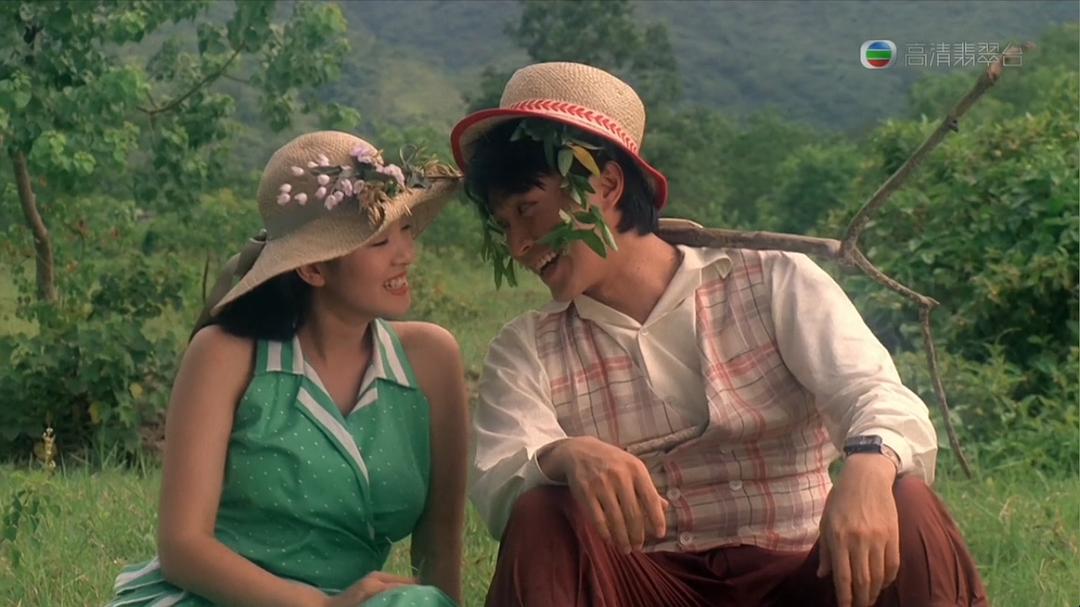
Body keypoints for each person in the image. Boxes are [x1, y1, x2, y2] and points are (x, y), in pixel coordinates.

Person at [453, 62, 987, 607]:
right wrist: (565, 454)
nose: (519, 244)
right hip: (645, 589)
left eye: (527, 210)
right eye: (505, 224)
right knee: (543, 512)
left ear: (605, 185)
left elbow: (875, 393)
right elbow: (501, 474)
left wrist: (870, 466)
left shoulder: (773, 280)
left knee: (907, 500)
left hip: (805, 580)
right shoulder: (528, 347)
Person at [108, 131, 468, 607]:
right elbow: (183, 547)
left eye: (405, 230)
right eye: (380, 241)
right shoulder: (224, 356)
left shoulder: (431, 358)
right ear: (313, 269)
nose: (406, 254)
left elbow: (439, 544)